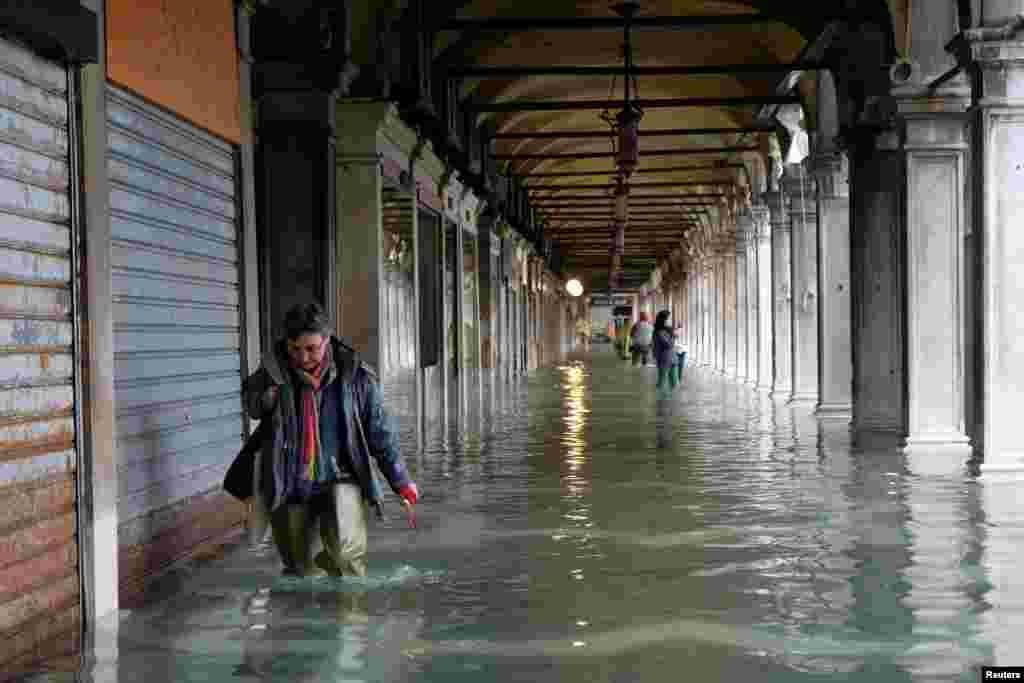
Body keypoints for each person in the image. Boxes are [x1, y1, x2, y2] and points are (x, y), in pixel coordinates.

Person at [243, 302, 418, 577]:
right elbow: (252, 407)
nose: (302, 358)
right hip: (290, 483)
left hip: (342, 477)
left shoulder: (355, 376)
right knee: (300, 570)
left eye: (312, 348)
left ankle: (350, 616)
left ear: (327, 339)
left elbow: (381, 433)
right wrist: (265, 397)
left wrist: (402, 482)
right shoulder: (272, 372)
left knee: (347, 560)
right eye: (295, 349)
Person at [652, 309, 676, 391]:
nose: (670, 321)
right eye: (669, 319)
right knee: (662, 382)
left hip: (671, 358)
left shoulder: (665, 330)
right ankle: (660, 401)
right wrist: (673, 337)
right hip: (665, 358)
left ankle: (672, 401)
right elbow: (668, 344)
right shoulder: (659, 332)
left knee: (673, 382)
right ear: (664, 320)